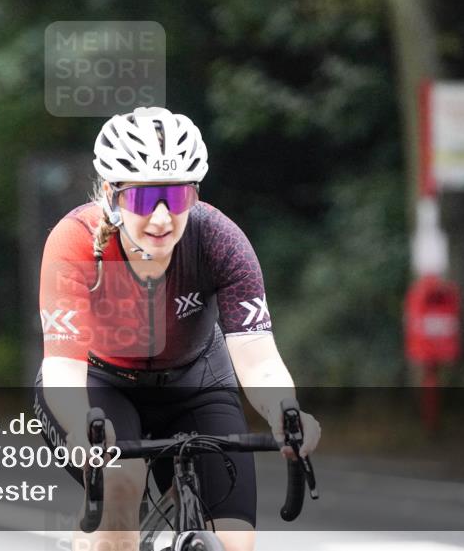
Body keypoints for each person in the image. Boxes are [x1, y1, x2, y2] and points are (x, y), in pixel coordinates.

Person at [34, 107, 321, 551]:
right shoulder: (74, 241)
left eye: (179, 197)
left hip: (197, 381)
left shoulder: (219, 239)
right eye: (146, 200)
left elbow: (258, 358)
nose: (164, 218)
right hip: (101, 384)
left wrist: (286, 411)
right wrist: (79, 426)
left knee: (235, 542)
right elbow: (63, 372)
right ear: (112, 195)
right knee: (122, 481)